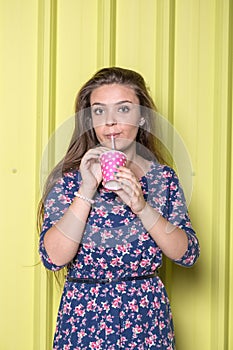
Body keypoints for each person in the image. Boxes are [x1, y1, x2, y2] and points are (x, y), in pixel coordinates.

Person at [38, 67, 200, 349]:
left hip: (146, 318)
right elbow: (53, 258)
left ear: (142, 118)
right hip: (83, 318)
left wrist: (141, 206)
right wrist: (86, 189)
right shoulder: (68, 181)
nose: (111, 122)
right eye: (99, 111)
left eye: (123, 109)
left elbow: (186, 254)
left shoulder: (162, 179)